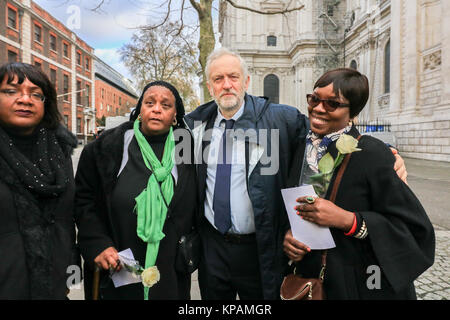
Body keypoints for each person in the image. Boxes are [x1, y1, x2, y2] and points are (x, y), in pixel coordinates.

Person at [184, 48, 407, 300]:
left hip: (260, 248)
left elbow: (328, 134)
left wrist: (386, 151)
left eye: (233, 77)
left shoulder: (281, 119)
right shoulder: (194, 125)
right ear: (209, 85)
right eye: (218, 79)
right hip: (212, 247)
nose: (227, 85)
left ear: (246, 81)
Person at [283, 68, 435, 299]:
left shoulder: (372, 154)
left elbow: (415, 231)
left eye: (332, 104)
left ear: (352, 112)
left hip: (359, 285)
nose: (318, 108)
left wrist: (348, 220)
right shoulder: (301, 149)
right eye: (314, 99)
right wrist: (290, 238)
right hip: (311, 280)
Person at [75, 81, 198, 300]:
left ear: (175, 115)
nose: (156, 108)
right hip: (120, 268)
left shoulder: (187, 151)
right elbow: (84, 201)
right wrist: (98, 243)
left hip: (170, 271)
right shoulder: (107, 147)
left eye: (165, 105)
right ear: (139, 109)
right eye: (149, 102)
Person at [0, 62, 78, 299]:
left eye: (36, 94)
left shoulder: (59, 152)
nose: (25, 99)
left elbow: (67, 220)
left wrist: (69, 273)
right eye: (11, 91)